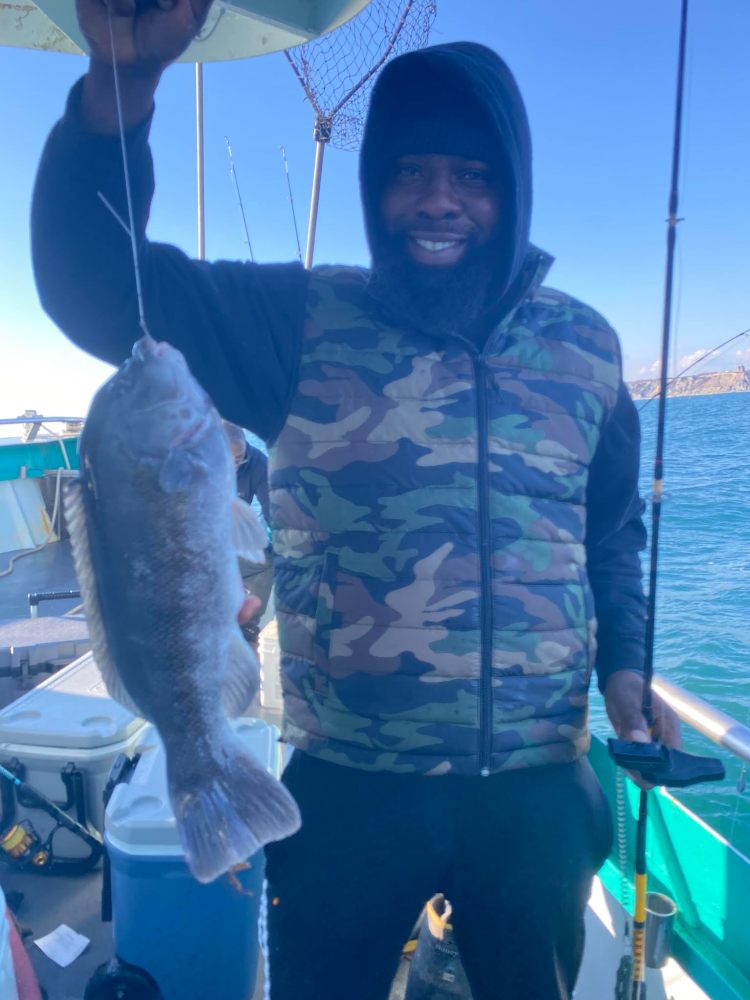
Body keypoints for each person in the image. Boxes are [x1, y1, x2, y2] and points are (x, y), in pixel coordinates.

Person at [31, 4, 681, 998]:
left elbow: (611, 528)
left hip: (540, 787)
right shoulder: (298, 318)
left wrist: (629, 662)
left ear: (514, 188)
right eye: (411, 170)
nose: (438, 200)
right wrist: (122, 86)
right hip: (348, 788)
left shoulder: (584, 346)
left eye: (472, 176)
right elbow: (92, 282)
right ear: (377, 182)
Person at [223, 421, 274, 652]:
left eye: (239, 460)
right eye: (228, 460)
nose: (234, 467)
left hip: (233, 536)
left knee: (267, 559)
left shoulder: (257, 462)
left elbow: (273, 511)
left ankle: (248, 630)